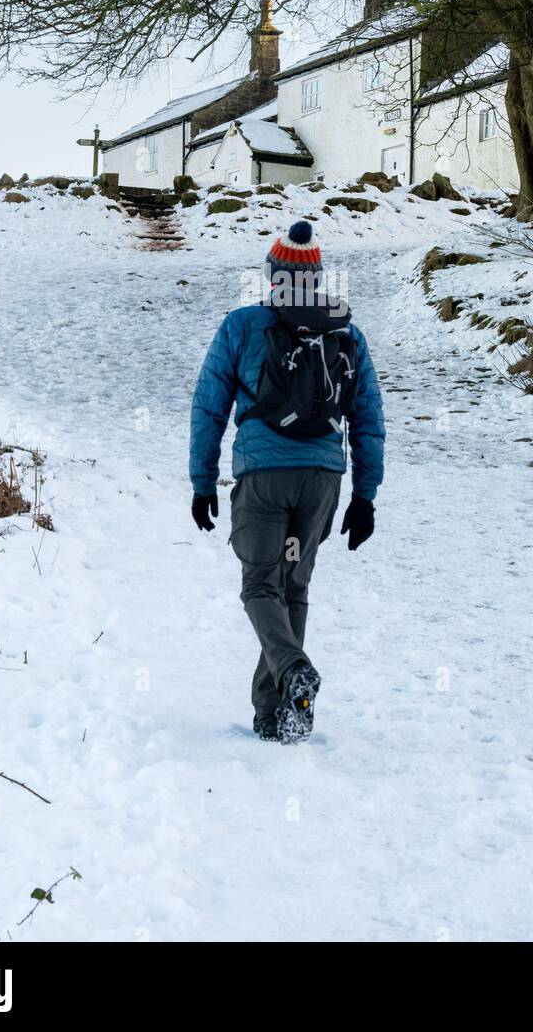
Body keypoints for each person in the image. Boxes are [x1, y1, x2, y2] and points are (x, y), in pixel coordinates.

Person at [189, 220, 385, 744]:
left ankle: (294, 670)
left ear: (273, 275)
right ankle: (275, 713)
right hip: (320, 482)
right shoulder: (346, 333)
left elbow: (209, 408)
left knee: (261, 586)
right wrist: (364, 496)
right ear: (316, 277)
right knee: (292, 587)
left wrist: (202, 482)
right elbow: (368, 419)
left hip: (264, 481)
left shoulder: (242, 326)